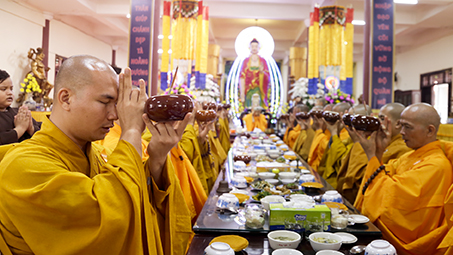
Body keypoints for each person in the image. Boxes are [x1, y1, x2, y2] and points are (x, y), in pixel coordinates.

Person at [0, 55, 192, 255]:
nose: (115, 115)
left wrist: (157, 157)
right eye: (105, 102)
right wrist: (132, 131)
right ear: (66, 98)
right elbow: (109, 220)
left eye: (117, 104)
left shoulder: (98, 154)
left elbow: (137, 200)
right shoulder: (23, 166)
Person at [354, 103, 452, 255]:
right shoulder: (409, 156)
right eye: (400, 126)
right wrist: (378, 153)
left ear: (430, 130)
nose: (401, 132)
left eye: (408, 127)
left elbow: (392, 197)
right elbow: (380, 177)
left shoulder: (437, 165)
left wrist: (371, 156)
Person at [0, 69, 40, 145]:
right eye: (4, 89)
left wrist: (31, 128)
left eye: (11, 89)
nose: (10, 93)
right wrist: (20, 129)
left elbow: (41, 132)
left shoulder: (19, 112)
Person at [239, 38, 270, 108]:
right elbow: (242, 77)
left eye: (256, 46)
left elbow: (267, 76)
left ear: (259, 48)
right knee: (249, 107)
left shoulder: (262, 61)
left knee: (259, 106)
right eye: (252, 46)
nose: (254, 48)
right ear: (249, 47)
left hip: (259, 89)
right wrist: (242, 94)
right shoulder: (246, 61)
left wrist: (262, 73)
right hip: (249, 90)